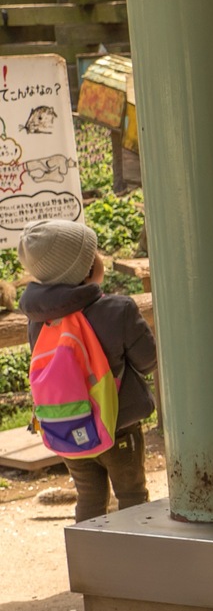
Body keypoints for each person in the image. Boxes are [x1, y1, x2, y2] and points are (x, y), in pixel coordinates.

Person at [19, 220, 157, 523]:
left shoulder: (36, 321)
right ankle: (138, 562)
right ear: (84, 269)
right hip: (118, 426)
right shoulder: (117, 310)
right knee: (132, 496)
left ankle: (90, 565)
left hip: (66, 428)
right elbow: (149, 361)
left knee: (90, 499)